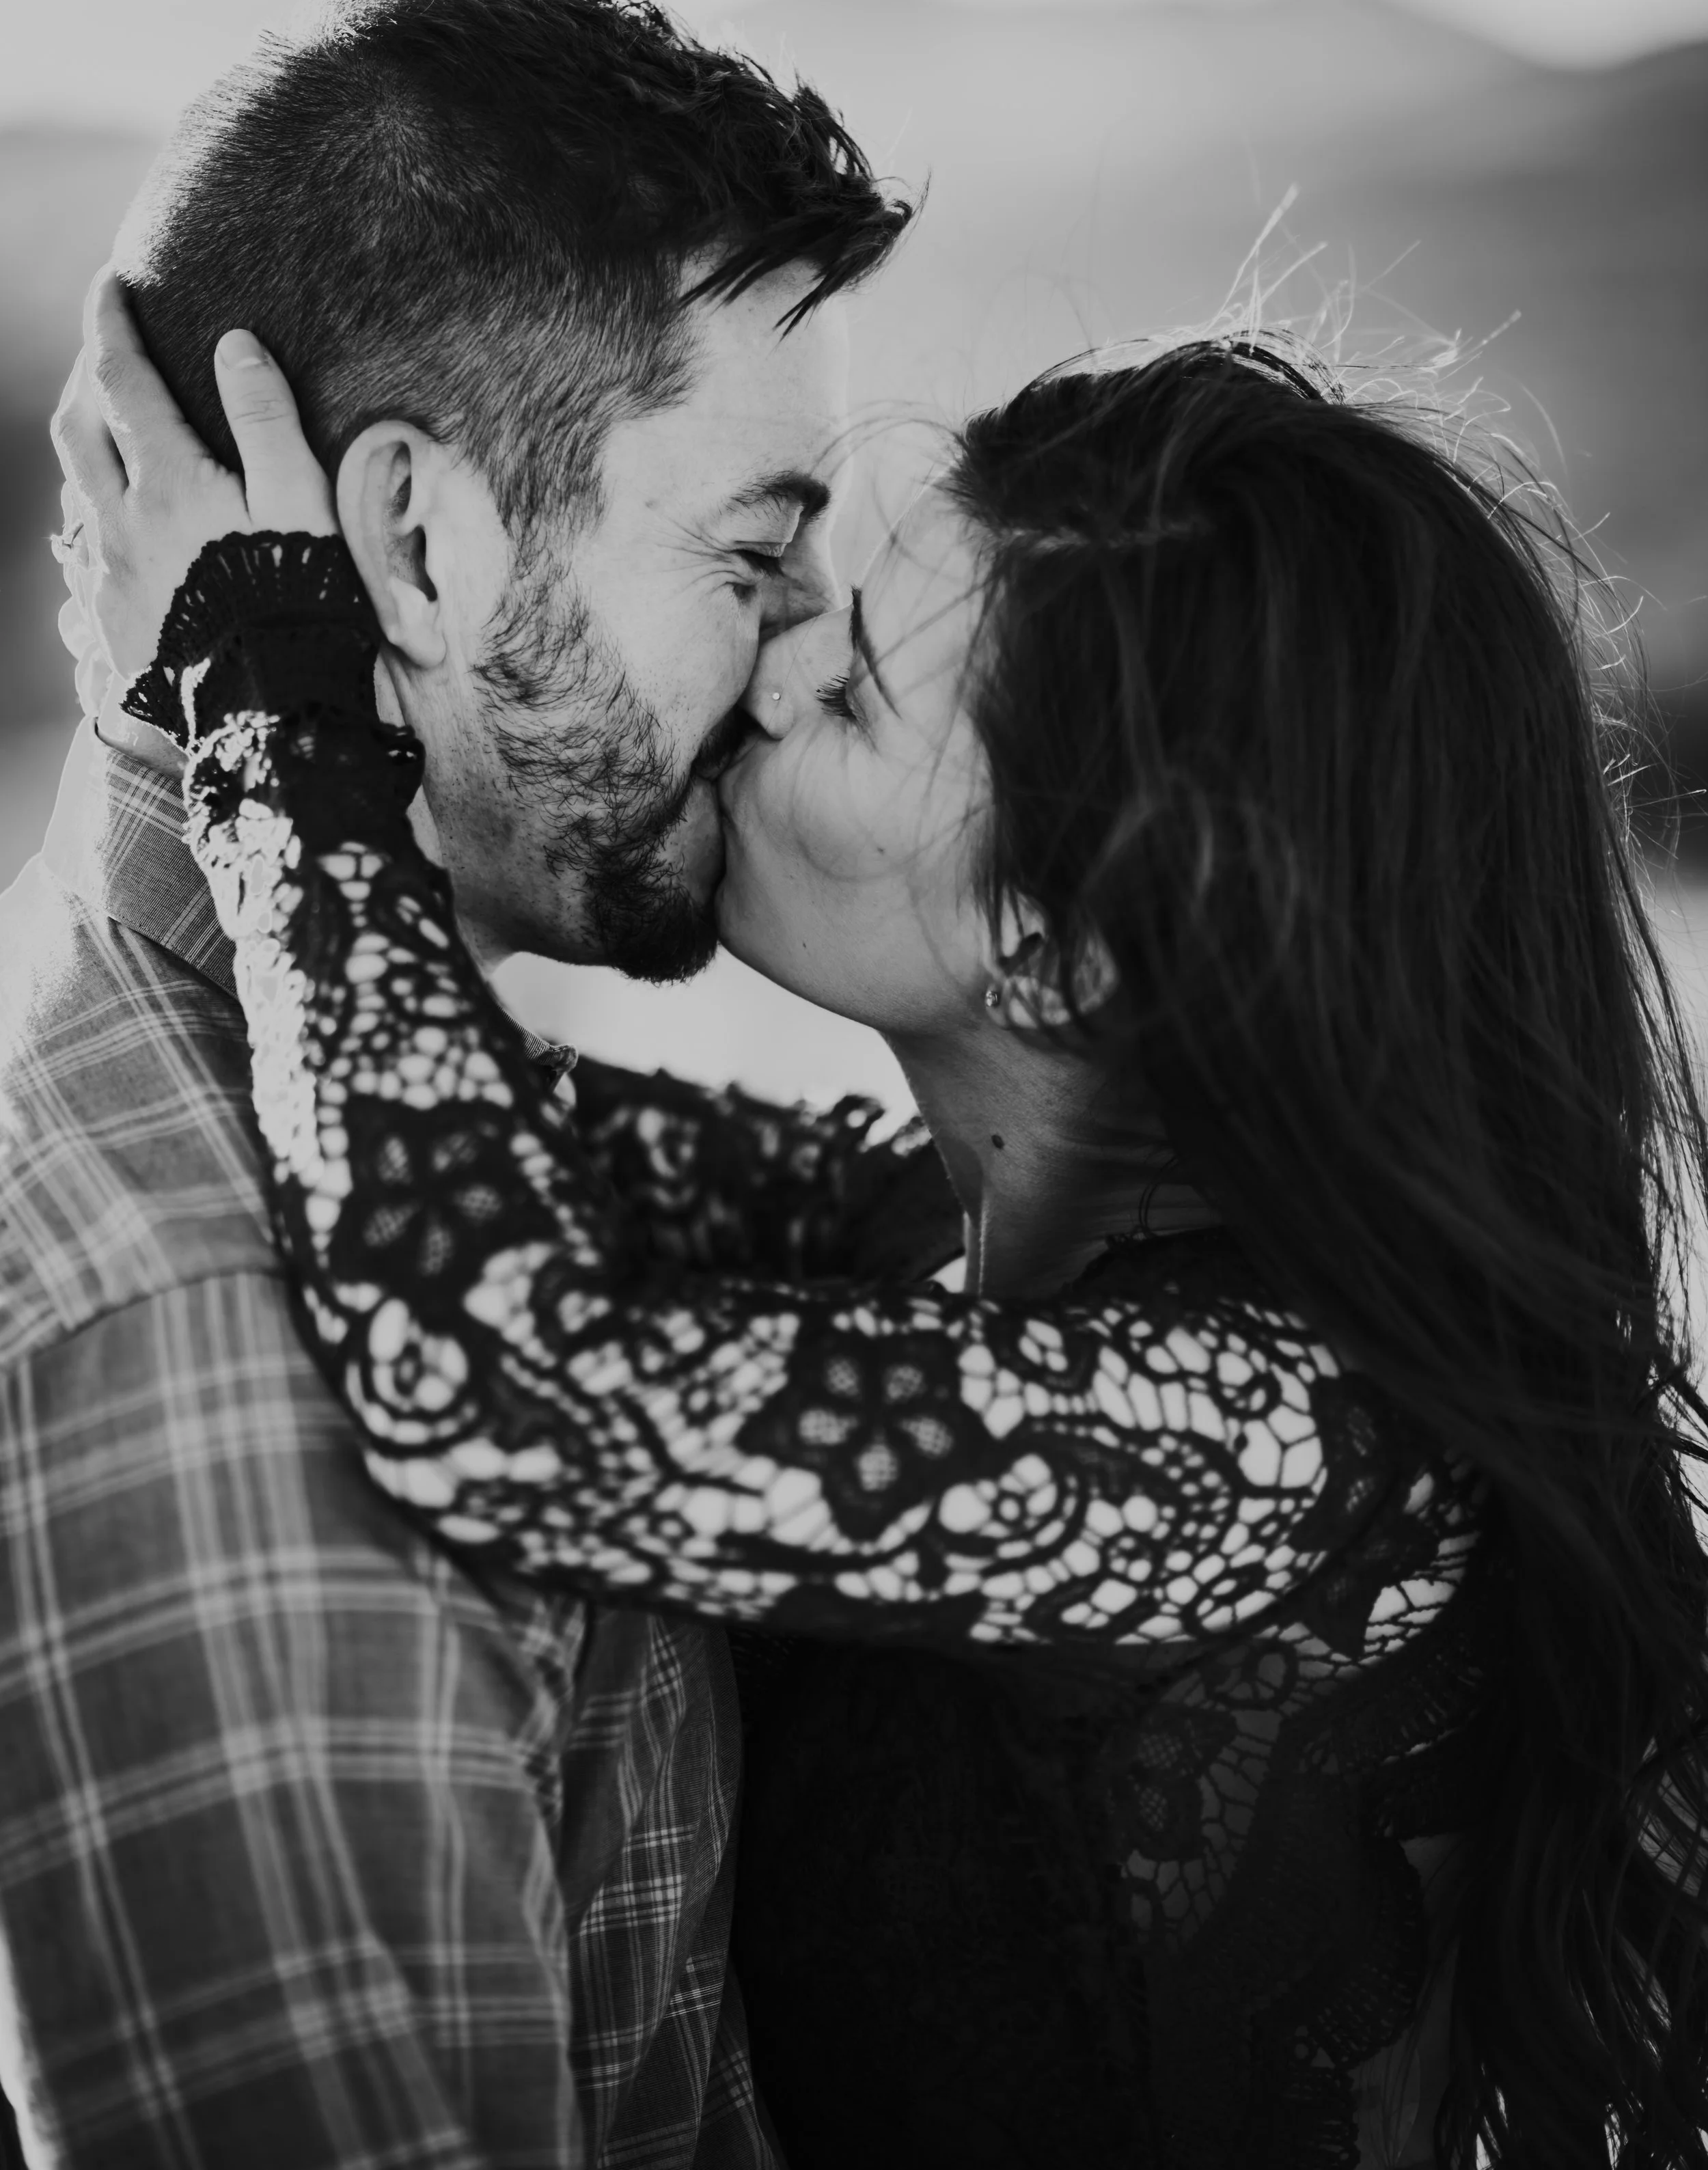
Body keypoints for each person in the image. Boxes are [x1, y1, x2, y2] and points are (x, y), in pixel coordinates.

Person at [65, 292, 1708, 2167]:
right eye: (803, 598)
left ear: (1068, 939)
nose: (761, 670)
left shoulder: (1265, 1443)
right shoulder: (920, 1234)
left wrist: (263, 679)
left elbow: (500, 1380)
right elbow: (410, 1118)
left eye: (847, 693)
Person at [0, 0, 923, 2169]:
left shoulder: (396, 1093)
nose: (809, 654)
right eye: (751, 554)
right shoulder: (214, 1324)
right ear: (419, 544)